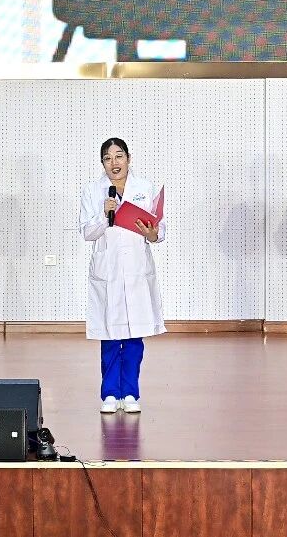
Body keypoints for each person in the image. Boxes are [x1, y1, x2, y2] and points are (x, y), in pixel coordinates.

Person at [80, 138, 166, 414]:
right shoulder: (92, 191)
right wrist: (104, 216)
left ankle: (130, 392)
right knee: (109, 335)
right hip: (108, 271)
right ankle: (109, 394)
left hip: (136, 271)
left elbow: (159, 230)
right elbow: (87, 232)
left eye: (119, 156)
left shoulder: (144, 188)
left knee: (134, 336)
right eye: (108, 158)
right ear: (102, 163)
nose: (114, 163)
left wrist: (153, 233)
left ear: (129, 159)